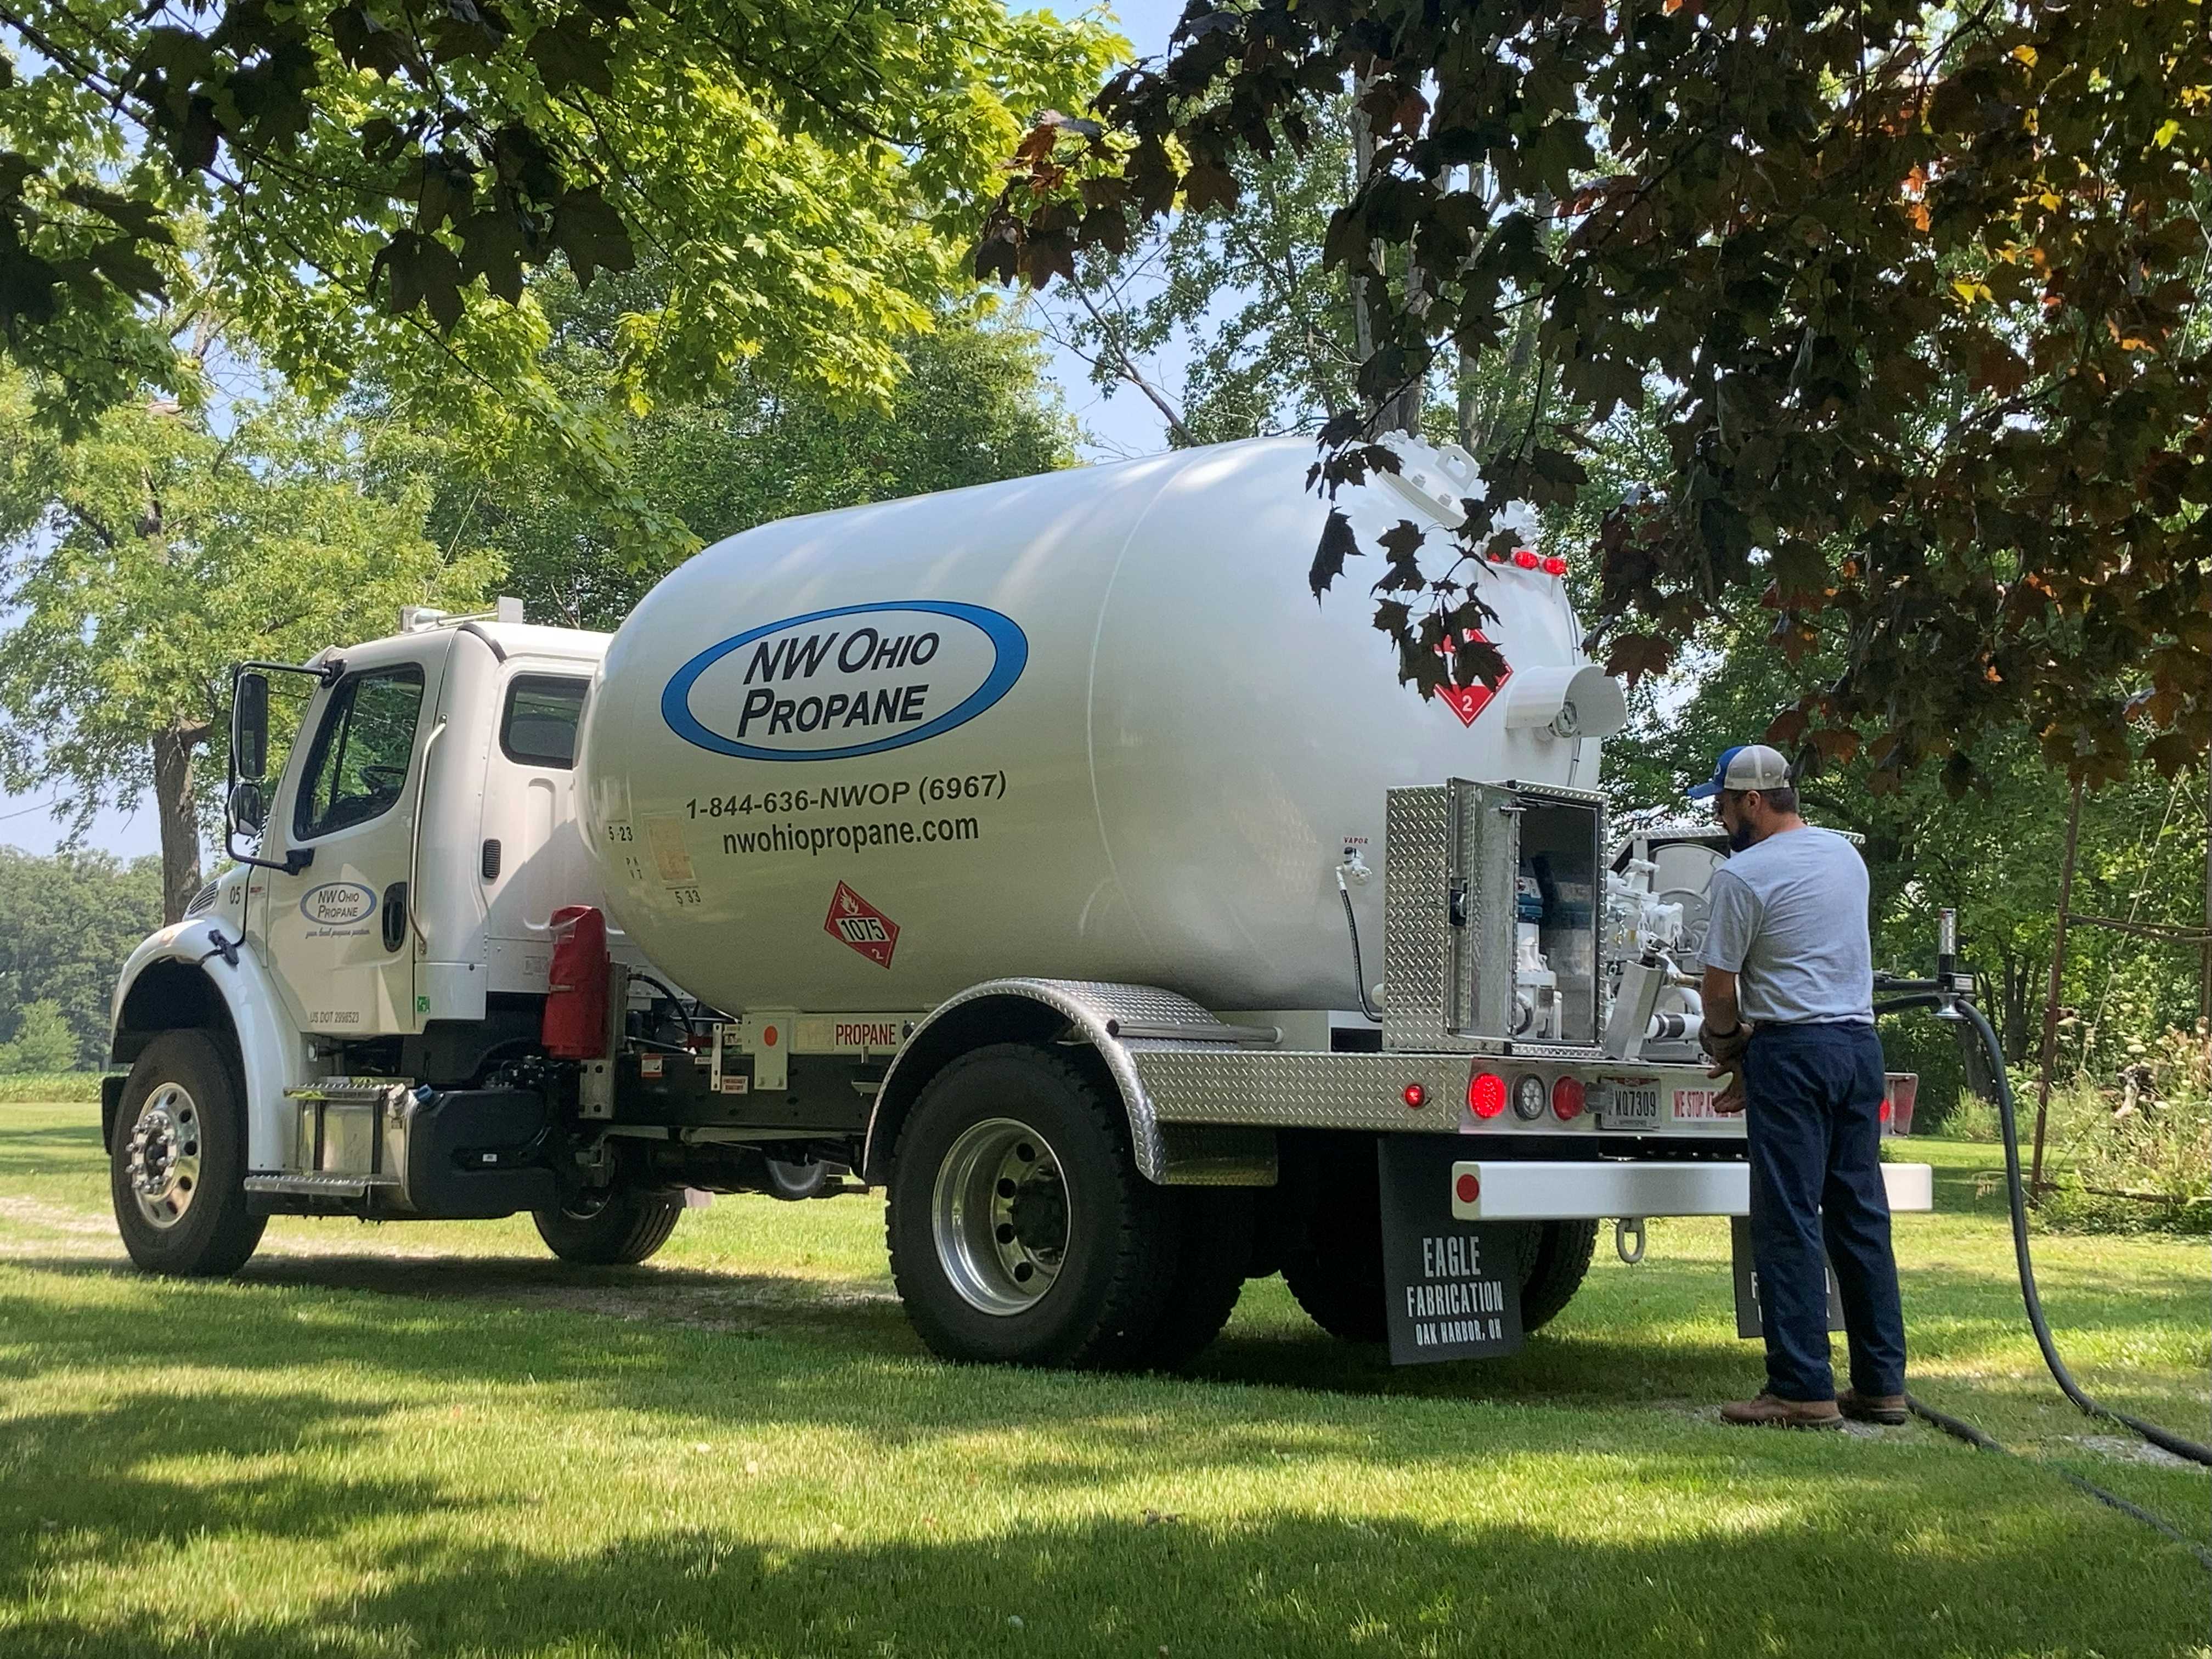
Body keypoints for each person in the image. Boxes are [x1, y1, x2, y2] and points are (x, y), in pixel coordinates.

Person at [1689, 744, 1908, 1430]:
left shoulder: (1742, 876)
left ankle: (1802, 1388)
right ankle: (1882, 1385)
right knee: (1859, 1215)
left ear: (1753, 801)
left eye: (1724, 805)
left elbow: (1718, 991)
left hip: (1793, 1052)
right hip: (1858, 1047)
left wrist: (1729, 1047)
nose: (1720, 818)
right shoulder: (1845, 857)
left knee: (1787, 1218)